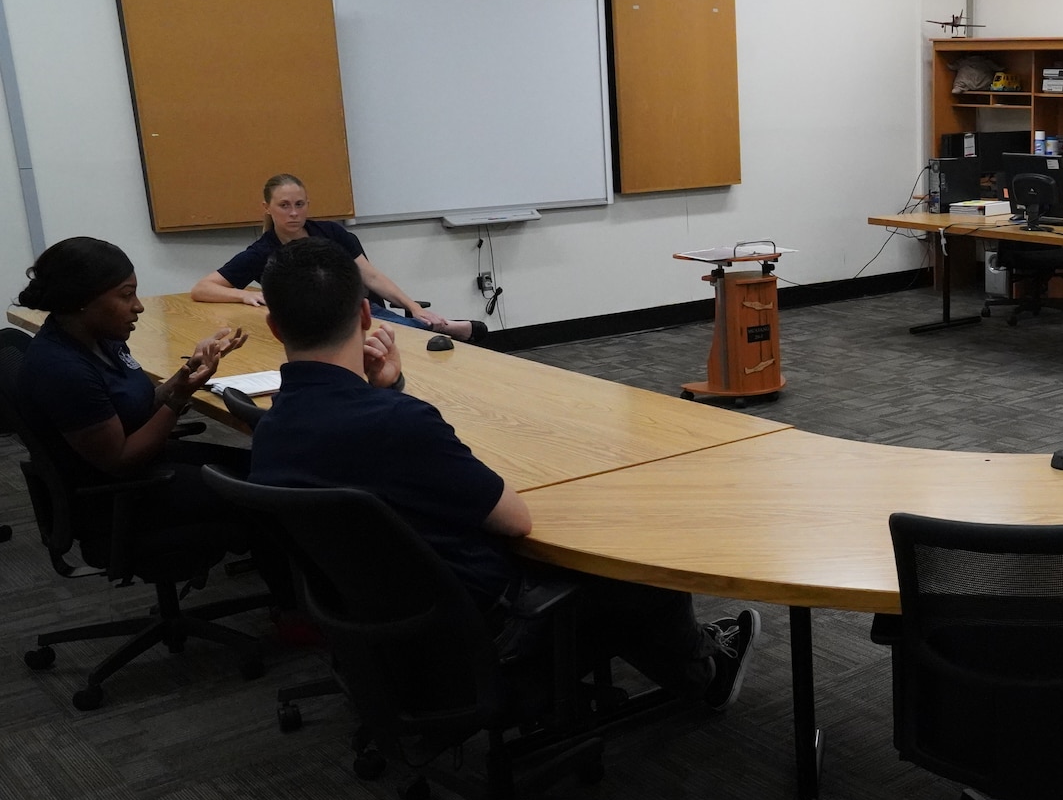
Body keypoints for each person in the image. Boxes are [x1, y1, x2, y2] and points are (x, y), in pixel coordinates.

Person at [247, 237, 760, 709]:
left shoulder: (270, 432)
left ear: (274, 326)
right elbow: (515, 521)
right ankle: (702, 675)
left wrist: (387, 391)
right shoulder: (400, 425)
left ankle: (687, 658)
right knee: (636, 552)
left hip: (383, 634)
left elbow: (370, 459)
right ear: (365, 314)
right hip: (489, 634)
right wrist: (394, 400)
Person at [13, 235, 254, 532]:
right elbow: (120, 460)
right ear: (82, 301)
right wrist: (178, 398)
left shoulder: (101, 338)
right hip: (119, 495)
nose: (138, 306)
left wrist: (188, 369)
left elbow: (135, 404)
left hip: (147, 464)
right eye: (126, 295)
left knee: (260, 468)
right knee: (260, 496)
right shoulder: (63, 369)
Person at [192, 173, 485, 343]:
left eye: (299, 204)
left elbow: (371, 276)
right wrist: (242, 297)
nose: (293, 213)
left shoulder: (331, 232)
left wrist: (411, 306)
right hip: (309, 324)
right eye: (284, 205)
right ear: (267, 208)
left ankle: (435, 325)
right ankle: (444, 326)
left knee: (394, 333)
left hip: (353, 308)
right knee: (395, 336)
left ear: (308, 205)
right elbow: (203, 288)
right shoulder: (262, 251)